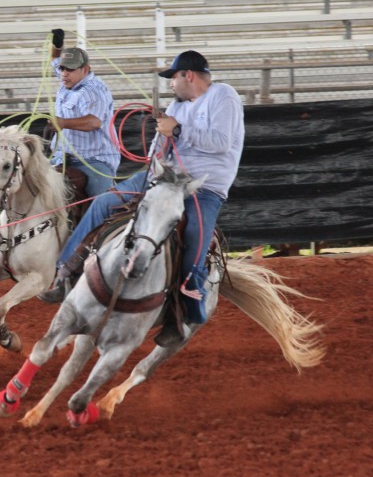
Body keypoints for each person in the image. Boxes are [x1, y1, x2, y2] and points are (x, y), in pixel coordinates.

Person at [38, 49, 245, 347]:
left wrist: (178, 128)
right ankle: (64, 271)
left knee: (195, 235)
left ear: (188, 75)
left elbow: (222, 142)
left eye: (173, 79)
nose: (170, 85)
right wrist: (160, 145)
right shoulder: (178, 106)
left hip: (203, 187)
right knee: (103, 204)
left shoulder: (223, 96)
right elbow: (160, 152)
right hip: (161, 177)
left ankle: (184, 305)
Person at [46, 28, 119, 199]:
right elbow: (55, 59)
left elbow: (93, 122)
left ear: (85, 69)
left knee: (102, 203)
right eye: (62, 69)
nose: (64, 73)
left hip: (94, 161)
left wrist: (62, 123)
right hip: (61, 159)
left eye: (69, 69)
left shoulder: (93, 91)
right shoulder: (70, 77)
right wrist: (57, 45)